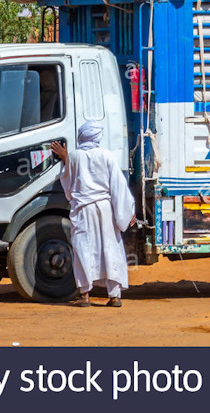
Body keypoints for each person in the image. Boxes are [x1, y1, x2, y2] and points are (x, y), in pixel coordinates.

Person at [50, 121, 135, 307]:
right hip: (105, 209)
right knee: (110, 248)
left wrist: (65, 158)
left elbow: (68, 182)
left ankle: (85, 295)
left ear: (81, 136)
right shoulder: (107, 155)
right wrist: (128, 212)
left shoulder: (74, 156)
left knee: (83, 249)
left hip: (82, 210)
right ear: (98, 137)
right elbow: (118, 187)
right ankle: (115, 296)